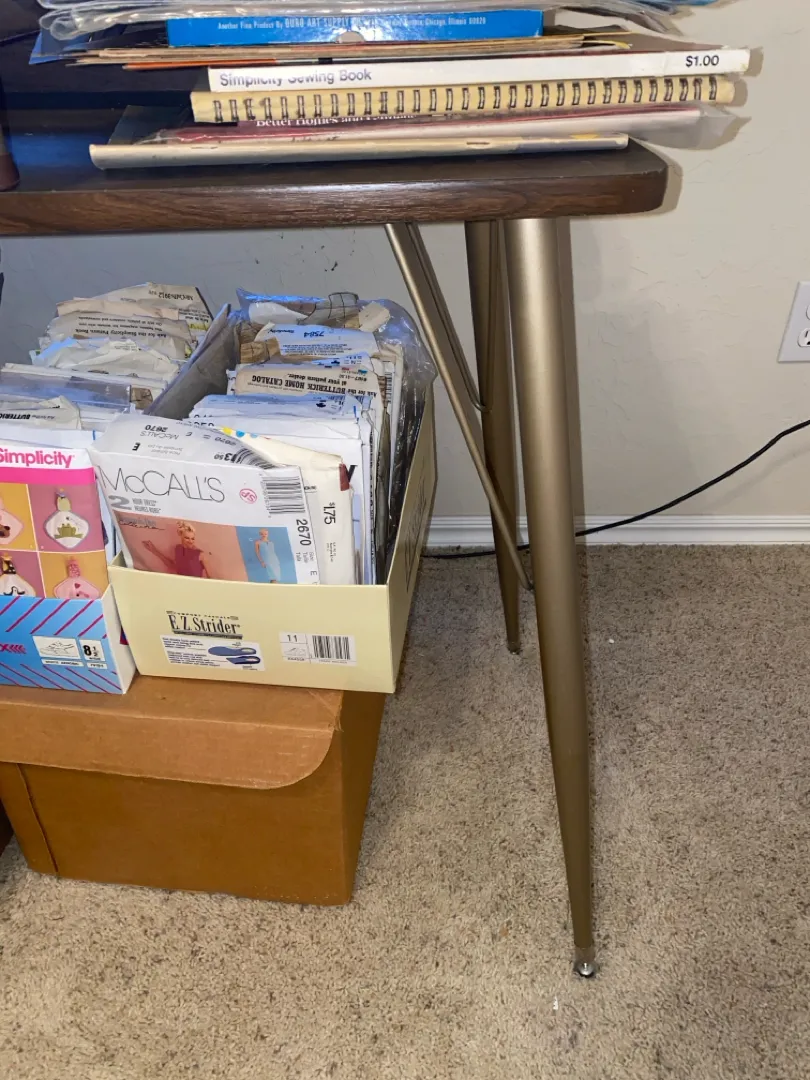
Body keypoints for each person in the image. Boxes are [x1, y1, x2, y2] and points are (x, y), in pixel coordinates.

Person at [143, 521, 209, 578]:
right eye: (187, 538)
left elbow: (210, 578)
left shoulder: (201, 555)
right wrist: (154, 550)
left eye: (192, 538)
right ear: (181, 536)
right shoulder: (178, 549)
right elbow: (173, 566)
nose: (190, 541)